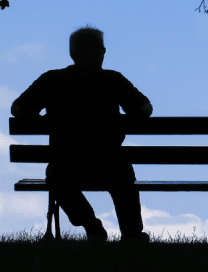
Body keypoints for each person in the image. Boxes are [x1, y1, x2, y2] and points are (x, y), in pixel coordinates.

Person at [11, 24, 152, 244]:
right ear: (102, 52)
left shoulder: (52, 79)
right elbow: (144, 109)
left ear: (73, 53)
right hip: (110, 163)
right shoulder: (113, 80)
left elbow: (18, 109)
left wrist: (46, 121)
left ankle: (91, 226)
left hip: (66, 164)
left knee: (57, 178)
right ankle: (132, 233)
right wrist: (122, 122)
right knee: (124, 177)